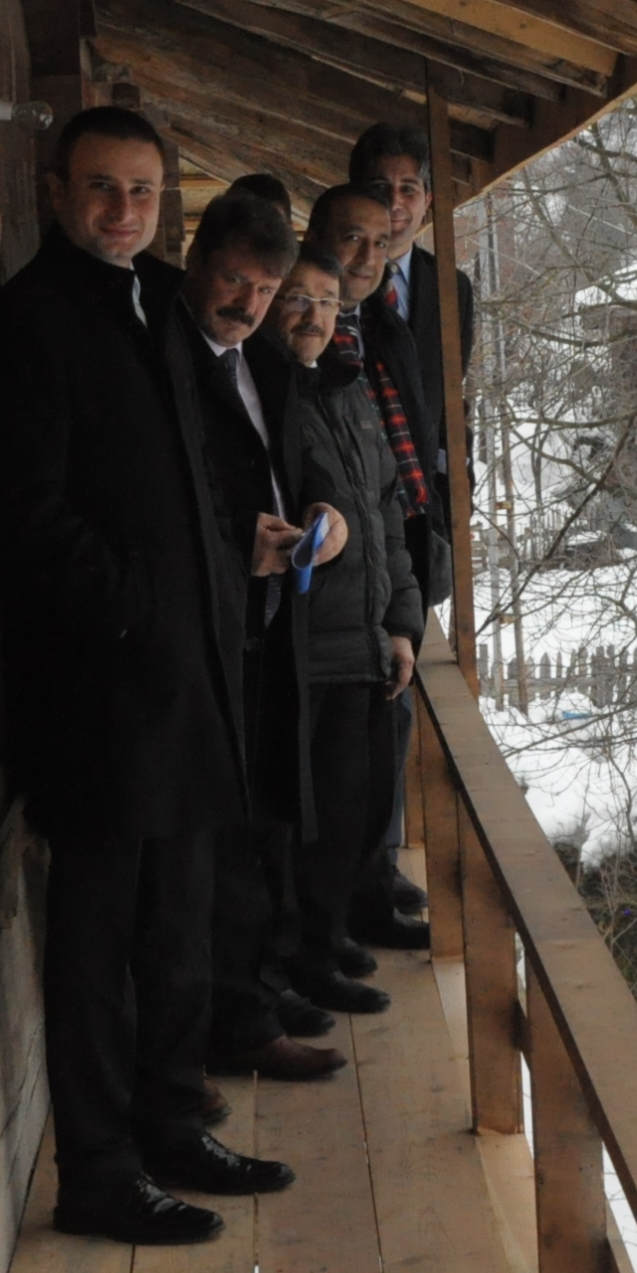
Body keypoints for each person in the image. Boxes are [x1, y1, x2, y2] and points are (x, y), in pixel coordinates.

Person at [0, 108, 294, 1247]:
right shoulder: (29, 321)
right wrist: (141, 609)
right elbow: (29, 515)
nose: (122, 211)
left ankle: (170, 1122)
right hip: (100, 694)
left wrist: (224, 554)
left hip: (187, 677)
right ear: (58, 190)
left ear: (169, 201)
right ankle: (100, 1174)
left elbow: (189, 472)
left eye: (144, 191)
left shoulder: (157, 303)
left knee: (177, 923)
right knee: (98, 943)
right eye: (102, 189)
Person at [168, 184, 350, 1082]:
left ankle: (256, 991)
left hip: (273, 625)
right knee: (225, 846)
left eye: (266, 291)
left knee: (270, 826)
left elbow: (304, 464)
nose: (247, 305)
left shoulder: (265, 365)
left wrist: (327, 514)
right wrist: (234, 548)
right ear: (198, 263)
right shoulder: (167, 360)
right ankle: (232, 1023)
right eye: (234, 281)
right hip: (202, 635)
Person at [267, 234, 421, 1015]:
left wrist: (399, 625)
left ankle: (325, 940)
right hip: (301, 647)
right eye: (297, 297)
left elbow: (388, 516)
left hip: (361, 640)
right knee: (312, 818)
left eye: (326, 302)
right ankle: (304, 955)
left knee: (355, 805)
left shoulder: (350, 392)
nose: (313, 316)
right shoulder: (268, 395)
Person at [341, 124, 478, 948]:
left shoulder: (446, 288)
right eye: (380, 188)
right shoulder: (326, 281)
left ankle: (382, 857)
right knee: (360, 701)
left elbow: (449, 417)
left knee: (399, 699)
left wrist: (447, 520)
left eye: (409, 190)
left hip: (417, 530)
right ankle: (356, 871)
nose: (395, 206)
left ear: (429, 202)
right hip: (347, 524)